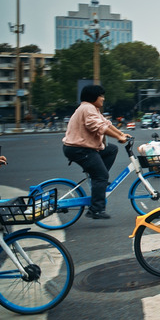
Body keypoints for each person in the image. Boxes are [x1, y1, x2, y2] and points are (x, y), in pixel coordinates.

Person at [62, 85, 131, 220]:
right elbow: (99, 127)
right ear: (93, 96)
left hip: (83, 147)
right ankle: (96, 209)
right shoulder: (87, 108)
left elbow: (106, 123)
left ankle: (97, 178)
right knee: (101, 175)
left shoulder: (92, 108)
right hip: (79, 149)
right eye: (101, 96)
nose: (103, 99)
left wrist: (121, 134)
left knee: (111, 149)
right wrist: (118, 137)